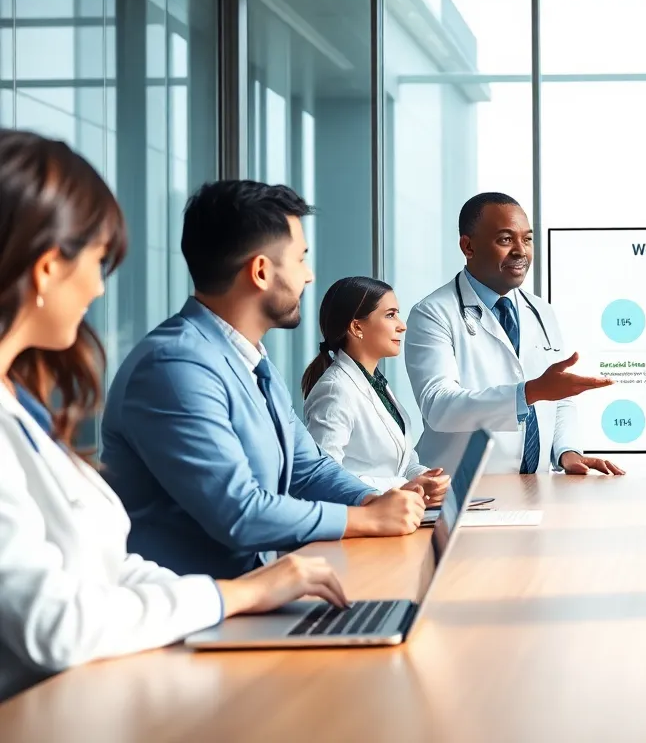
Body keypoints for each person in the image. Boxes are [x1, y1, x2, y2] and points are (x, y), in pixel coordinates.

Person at [0, 130, 349, 702]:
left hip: (116, 673)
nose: (97, 287)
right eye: (97, 261)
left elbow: (112, 566)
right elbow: (55, 625)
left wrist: (246, 593)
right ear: (45, 269)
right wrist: (231, 597)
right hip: (53, 702)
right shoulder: (174, 364)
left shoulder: (21, 408)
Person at [101, 180, 431, 579]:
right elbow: (240, 513)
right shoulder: (174, 368)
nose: (309, 276)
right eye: (300, 259)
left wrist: (373, 499)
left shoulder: (253, 362)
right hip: (192, 613)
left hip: (256, 591)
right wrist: (364, 519)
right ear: (260, 271)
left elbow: (309, 470)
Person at [404, 192, 624, 476]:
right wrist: (529, 392)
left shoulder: (541, 312)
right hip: (459, 488)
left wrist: (568, 451)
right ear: (468, 246)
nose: (521, 251)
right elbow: (438, 405)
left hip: (534, 485)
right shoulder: (433, 313)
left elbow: (559, 398)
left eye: (527, 239)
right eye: (506, 240)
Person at [301, 276, 449, 499]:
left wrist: (427, 477)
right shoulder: (335, 390)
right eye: (390, 315)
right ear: (357, 327)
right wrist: (403, 486)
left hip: (395, 514)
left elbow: (403, 463)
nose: (402, 325)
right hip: (361, 519)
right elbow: (324, 479)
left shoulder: (376, 383)